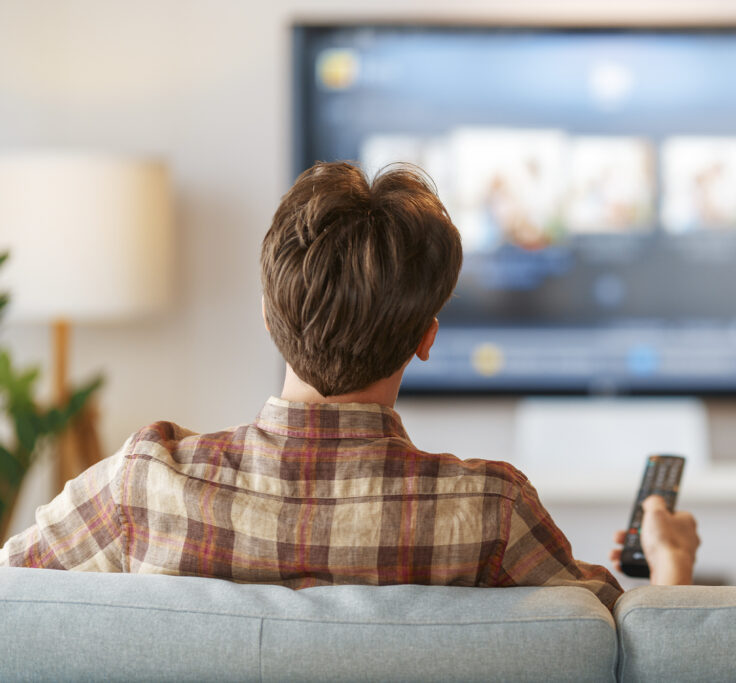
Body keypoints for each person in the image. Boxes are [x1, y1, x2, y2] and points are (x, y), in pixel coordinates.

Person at [0, 162, 699, 609]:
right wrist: (669, 565)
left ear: (268, 315)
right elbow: (625, 649)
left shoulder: (143, 486)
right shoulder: (492, 512)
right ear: (427, 337)